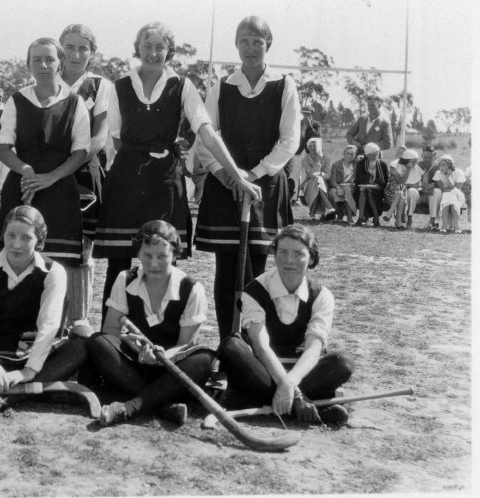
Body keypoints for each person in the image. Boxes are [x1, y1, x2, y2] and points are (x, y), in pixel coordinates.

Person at [97, 22, 260, 326]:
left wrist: (236, 174)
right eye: (148, 46)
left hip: (165, 182)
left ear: (169, 51)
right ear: (138, 48)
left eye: (160, 47)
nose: (154, 53)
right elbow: (117, 139)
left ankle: (163, 335)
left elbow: (207, 132)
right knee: (118, 265)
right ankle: (110, 339)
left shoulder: (182, 86)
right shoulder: (119, 86)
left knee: (163, 261)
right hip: (126, 182)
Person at [195, 16, 297, 341]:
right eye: (244, 41)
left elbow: (289, 140)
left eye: (258, 41)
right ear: (236, 45)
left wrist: (252, 174)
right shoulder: (221, 85)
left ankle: (254, 348)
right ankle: (229, 345)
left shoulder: (284, 85)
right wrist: (226, 174)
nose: (251, 48)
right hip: (226, 186)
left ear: (268, 45)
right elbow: (205, 136)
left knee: (257, 269)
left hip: (263, 186)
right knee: (227, 270)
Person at [0, 205, 88, 414]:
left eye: (26, 238)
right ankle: (35, 389)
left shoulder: (54, 272)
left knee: (80, 348)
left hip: (32, 354)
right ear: (3, 234)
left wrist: (28, 371)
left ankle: (5, 395)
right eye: (10, 235)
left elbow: (49, 325)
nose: (16, 244)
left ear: (39, 240)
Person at [0, 37, 90, 329]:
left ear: (60, 62)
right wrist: (25, 170)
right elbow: (3, 147)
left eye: (50, 59)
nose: (44, 65)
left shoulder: (74, 102)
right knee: (15, 256)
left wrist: (50, 178)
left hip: (60, 188)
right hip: (23, 188)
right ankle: (12, 328)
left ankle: (54, 333)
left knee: (57, 265)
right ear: (28, 64)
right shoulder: (17, 99)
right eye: (37, 60)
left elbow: (82, 151)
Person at [218, 225, 355, 426]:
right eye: (282, 252)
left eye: (298, 254)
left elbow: (314, 348)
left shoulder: (321, 295)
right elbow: (260, 345)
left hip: (301, 374)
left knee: (343, 363)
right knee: (231, 347)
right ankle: (311, 407)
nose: (289, 260)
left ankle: (257, 402)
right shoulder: (255, 290)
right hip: (262, 371)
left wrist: (290, 384)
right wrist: (295, 393)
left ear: (312, 257)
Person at [88, 220, 214, 426]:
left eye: (162, 256)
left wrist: (161, 357)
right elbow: (110, 330)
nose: (154, 263)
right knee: (98, 342)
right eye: (147, 255)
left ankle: (131, 406)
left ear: (174, 255)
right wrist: (135, 348)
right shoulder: (125, 279)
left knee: (205, 358)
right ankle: (162, 405)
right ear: (138, 254)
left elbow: (186, 344)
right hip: (134, 362)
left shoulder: (192, 288)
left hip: (170, 364)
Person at [58, 23, 114, 337]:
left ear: (92, 53)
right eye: (70, 47)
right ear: (61, 48)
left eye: (83, 48)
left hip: (83, 174)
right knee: (49, 248)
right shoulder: (47, 80)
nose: (76, 54)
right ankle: (49, 323)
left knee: (80, 252)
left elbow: (99, 136)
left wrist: (67, 166)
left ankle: (78, 324)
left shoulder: (99, 86)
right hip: (50, 175)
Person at [382, 149, 424, 229]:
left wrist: (406, 186)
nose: (415, 163)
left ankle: (393, 216)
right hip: (391, 193)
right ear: (408, 160)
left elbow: (417, 184)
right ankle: (398, 221)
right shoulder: (394, 165)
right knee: (401, 190)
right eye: (414, 161)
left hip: (403, 193)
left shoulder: (416, 167)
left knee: (402, 193)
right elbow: (400, 181)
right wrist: (408, 169)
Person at [299, 137, 335, 220]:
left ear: (319, 147)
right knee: (317, 180)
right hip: (309, 184)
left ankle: (312, 213)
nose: (312, 148)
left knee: (318, 180)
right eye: (310, 146)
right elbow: (311, 175)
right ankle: (328, 206)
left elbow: (328, 175)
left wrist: (319, 174)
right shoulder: (305, 159)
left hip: (324, 185)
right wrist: (318, 161)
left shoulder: (326, 158)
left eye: (314, 146)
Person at [354, 142, 389, 227]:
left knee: (370, 192)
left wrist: (375, 184)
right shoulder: (361, 163)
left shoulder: (382, 164)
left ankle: (376, 218)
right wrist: (369, 175)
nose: (375, 157)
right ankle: (361, 217)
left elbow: (384, 180)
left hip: (378, 190)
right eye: (373, 155)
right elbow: (358, 179)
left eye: (377, 155)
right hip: (362, 188)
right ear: (367, 155)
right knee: (363, 191)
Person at [433, 155, 466, 233]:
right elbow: (443, 189)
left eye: (443, 165)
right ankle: (454, 226)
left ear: (450, 165)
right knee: (447, 195)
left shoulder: (459, 172)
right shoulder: (438, 173)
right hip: (446, 196)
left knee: (449, 196)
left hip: (458, 196)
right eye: (440, 165)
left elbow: (456, 189)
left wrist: (448, 176)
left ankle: (446, 225)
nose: (441, 167)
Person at [327, 145, 358, 222]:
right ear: (344, 154)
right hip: (338, 185)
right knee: (332, 193)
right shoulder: (336, 165)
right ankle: (339, 214)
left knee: (347, 192)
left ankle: (349, 216)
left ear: (355, 156)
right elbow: (332, 180)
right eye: (347, 153)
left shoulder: (357, 165)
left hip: (351, 186)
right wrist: (337, 187)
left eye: (352, 154)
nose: (349, 156)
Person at [418, 145, 443, 230]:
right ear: (422, 155)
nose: (427, 159)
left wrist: (427, 188)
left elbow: (439, 185)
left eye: (430, 157)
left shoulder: (438, 167)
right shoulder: (418, 165)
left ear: (434, 156)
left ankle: (433, 221)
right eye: (425, 157)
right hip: (420, 195)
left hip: (432, 196)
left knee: (437, 191)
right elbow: (414, 183)